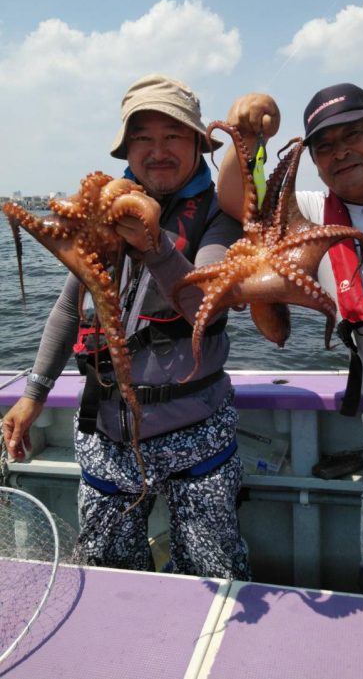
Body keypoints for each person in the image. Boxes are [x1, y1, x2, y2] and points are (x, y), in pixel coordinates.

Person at [3, 73, 250, 580]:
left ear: (199, 143)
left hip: (195, 433)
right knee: (109, 575)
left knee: (215, 573)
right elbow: (71, 309)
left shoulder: (219, 216)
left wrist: (155, 245)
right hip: (105, 433)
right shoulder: (106, 210)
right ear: (126, 149)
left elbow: (211, 306)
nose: (156, 151)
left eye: (172, 136)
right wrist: (34, 394)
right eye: (142, 138)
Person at [218, 83, 363, 600]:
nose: (340, 151)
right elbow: (238, 199)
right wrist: (246, 132)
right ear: (317, 164)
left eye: (354, 135)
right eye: (325, 146)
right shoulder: (314, 217)